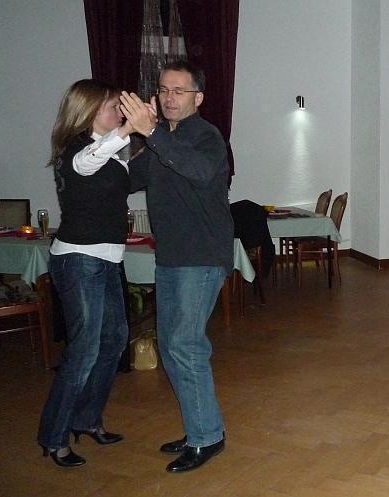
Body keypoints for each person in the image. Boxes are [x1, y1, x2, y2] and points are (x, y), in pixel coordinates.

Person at [119, 61, 233, 473]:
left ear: (197, 98)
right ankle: (201, 426)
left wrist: (151, 133)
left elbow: (199, 172)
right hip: (171, 257)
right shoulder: (160, 142)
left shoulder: (206, 136)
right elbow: (126, 179)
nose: (169, 97)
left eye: (178, 91)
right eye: (164, 90)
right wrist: (112, 139)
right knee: (171, 347)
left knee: (184, 347)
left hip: (200, 257)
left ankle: (207, 436)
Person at [38, 79, 133, 467]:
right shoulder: (75, 152)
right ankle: (53, 437)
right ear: (91, 111)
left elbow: (117, 164)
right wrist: (128, 129)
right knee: (84, 351)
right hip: (79, 260)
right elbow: (87, 162)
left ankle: (86, 418)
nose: (120, 113)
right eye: (114, 107)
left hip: (106, 260)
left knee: (114, 340)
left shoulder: (109, 150)